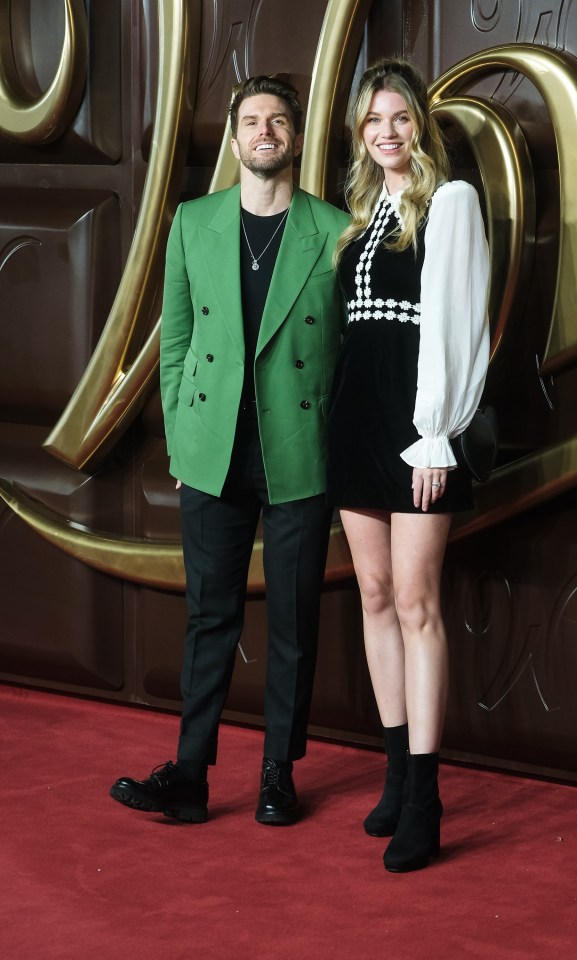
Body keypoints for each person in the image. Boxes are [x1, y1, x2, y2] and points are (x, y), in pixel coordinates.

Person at [110, 76, 349, 826]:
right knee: (209, 617)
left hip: (298, 450)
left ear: (298, 139)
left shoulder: (335, 229)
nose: (266, 132)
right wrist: (184, 443)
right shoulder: (194, 221)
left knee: (293, 618)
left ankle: (279, 772)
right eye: (252, 121)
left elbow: (349, 351)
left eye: (279, 121)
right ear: (236, 139)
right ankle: (190, 774)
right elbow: (175, 343)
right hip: (212, 451)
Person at [327, 58, 490, 872]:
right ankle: (394, 776)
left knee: (419, 601)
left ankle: (425, 796)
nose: (386, 131)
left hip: (416, 423)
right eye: (372, 120)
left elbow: (460, 328)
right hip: (355, 419)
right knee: (377, 594)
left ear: (419, 126)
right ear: (362, 134)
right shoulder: (359, 215)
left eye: (399, 117)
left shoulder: (450, 203)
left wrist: (436, 434)